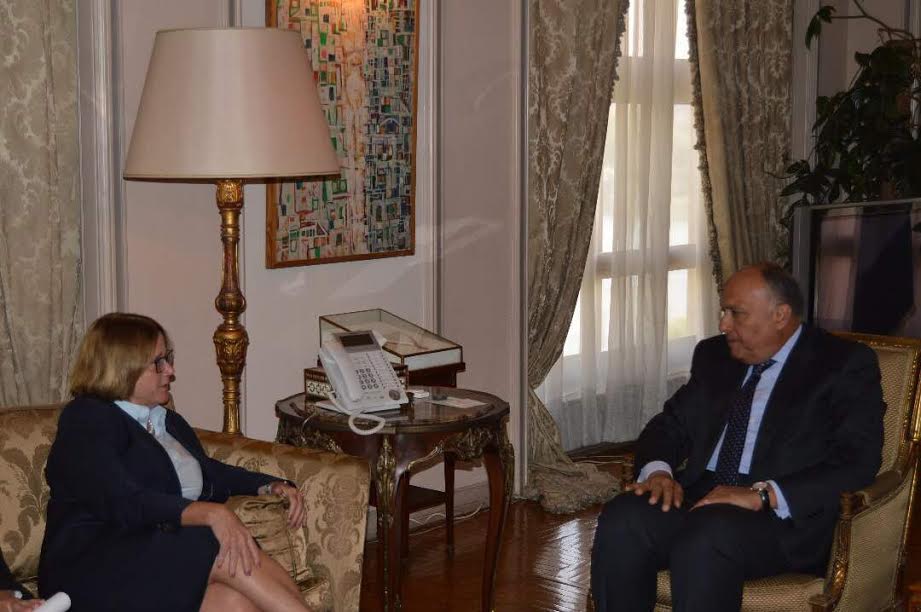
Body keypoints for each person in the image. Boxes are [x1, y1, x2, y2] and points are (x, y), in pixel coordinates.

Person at [590, 263, 885, 612]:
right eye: (723, 312)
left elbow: (857, 460)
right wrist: (658, 472)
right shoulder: (715, 355)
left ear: (780, 315)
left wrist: (762, 494)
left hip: (779, 518)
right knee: (624, 517)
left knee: (708, 536)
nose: (723, 325)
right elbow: (670, 425)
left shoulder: (842, 364)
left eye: (736, 313)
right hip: (702, 496)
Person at [39, 313, 312, 612]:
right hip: (94, 568)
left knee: (233, 604)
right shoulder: (87, 418)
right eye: (158, 362)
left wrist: (269, 485)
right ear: (123, 367)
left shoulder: (167, 421)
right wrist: (211, 514)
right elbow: (122, 500)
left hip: (158, 560)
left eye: (167, 358)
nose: (170, 370)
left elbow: (209, 473)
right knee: (210, 538)